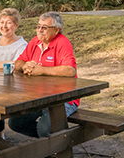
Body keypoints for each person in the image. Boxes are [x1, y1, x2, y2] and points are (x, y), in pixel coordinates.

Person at [8, 12, 78, 141]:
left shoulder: (63, 43)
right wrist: (24, 66)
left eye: (44, 27)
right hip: (38, 97)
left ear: (57, 30)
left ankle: (52, 146)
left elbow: (70, 71)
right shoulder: (35, 42)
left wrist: (42, 70)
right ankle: (48, 144)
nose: (40, 30)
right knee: (15, 122)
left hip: (63, 98)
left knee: (44, 129)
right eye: (38, 26)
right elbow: (18, 62)